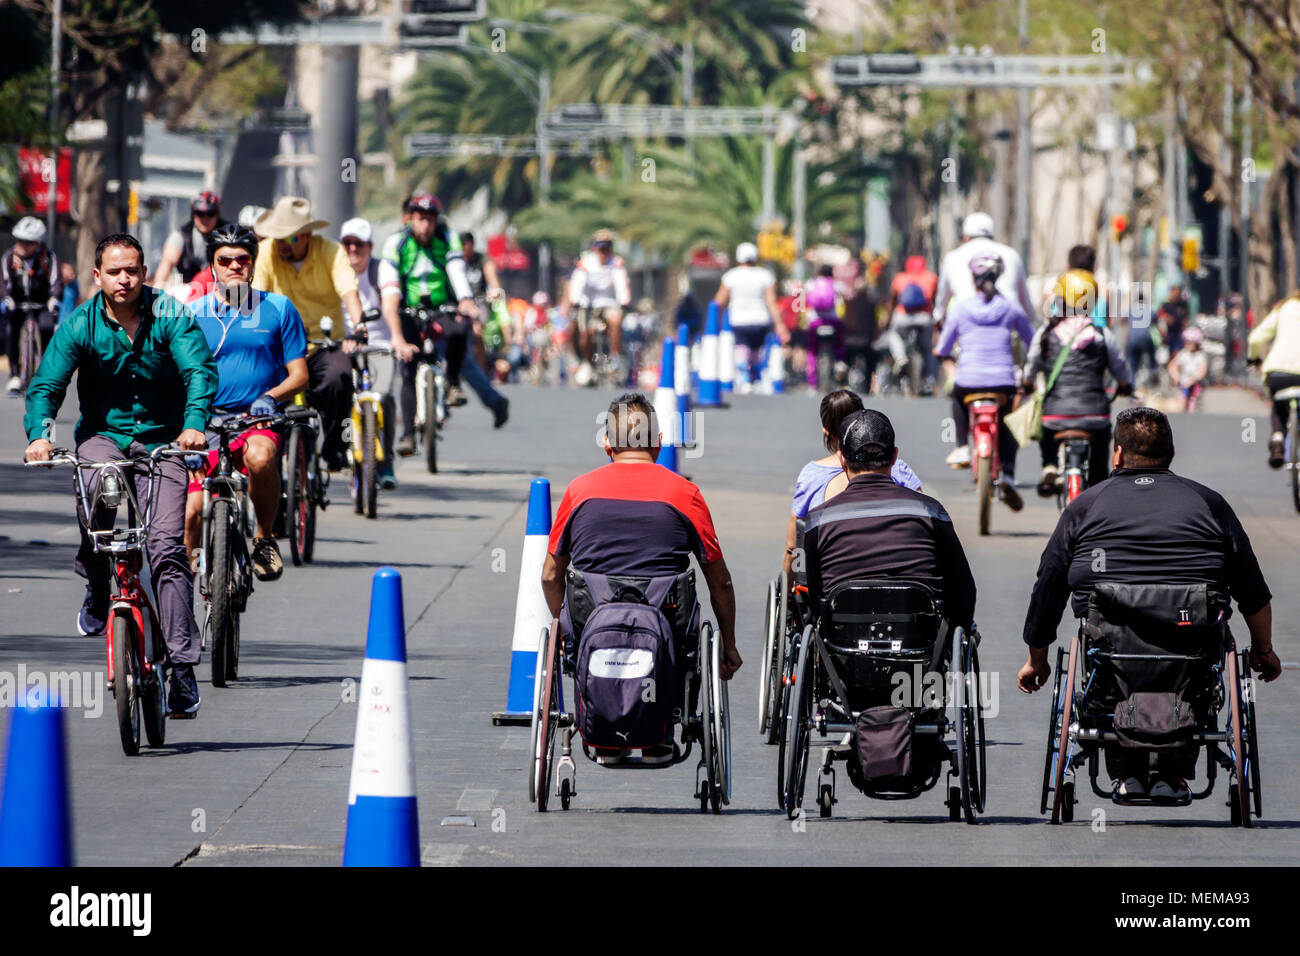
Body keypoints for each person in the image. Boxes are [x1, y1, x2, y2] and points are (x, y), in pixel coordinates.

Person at [1017, 407, 1281, 801]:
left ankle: (1128, 772)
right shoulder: (1209, 503)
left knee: (1106, 660)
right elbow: (1253, 591)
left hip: (1111, 648)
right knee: (1197, 658)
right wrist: (1263, 650)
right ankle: (1173, 774)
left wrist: (1037, 660)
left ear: (1117, 454)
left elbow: (1048, 588)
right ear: (1171, 453)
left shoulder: (1085, 506)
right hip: (1191, 644)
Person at [23, 233, 216, 717]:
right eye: (114, 271)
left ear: (144, 272)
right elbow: (48, 384)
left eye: (132, 270)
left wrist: (193, 426)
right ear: (97, 276)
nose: (124, 279)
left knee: (168, 547)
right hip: (104, 438)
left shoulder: (170, 313)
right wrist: (40, 435)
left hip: (164, 443)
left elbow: (199, 372)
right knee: (100, 493)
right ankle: (96, 583)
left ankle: (182, 668)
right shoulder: (80, 324)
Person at [540, 393, 741, 761]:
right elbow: (720, 581)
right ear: (659, 444)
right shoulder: (685, 494)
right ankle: (657, 735)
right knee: (681, 629)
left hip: (592, 622)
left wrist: (565, 629)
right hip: (666, 623)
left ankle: (601, 728)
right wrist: (728, 645)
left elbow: (551, 575)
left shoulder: (579, 491)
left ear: (607, 444)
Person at [185, 224, 308, 581]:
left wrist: (269, 398)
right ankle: (182, 576)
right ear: (212, 267)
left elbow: (299, 375)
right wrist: (187, 425)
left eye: (243, 259)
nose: (234, 266)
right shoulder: (192, 314)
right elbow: (175, 376)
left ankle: (265, 538)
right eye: (225, 260)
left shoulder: (279, 308)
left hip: (256, 420)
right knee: (193, 511)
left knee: (261, 457)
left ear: (253, 264)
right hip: (205, 422)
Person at [802, 408, 976, 629]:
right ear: (894, 456)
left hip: (844, 646)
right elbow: (963, 587)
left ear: (842, 460)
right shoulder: (931, 512)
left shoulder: (818, 520)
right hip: (918, 645)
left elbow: (817, 596)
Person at [379, 194, 508, 443]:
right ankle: (407, 434)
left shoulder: (448, 239)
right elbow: (390, 288)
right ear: (410, 219)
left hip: (443, 307)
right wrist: (395, 330)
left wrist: (465, 300)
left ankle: (452, 384)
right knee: (409, 367)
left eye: (430, 220)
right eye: (419, 219)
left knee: (460, 333)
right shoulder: (397, 243)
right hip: (409, 309)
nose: (425, 226)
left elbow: (456, 271)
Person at [251, 196, 365, 471]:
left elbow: (348, 290)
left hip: (323, 345)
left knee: (340, 378)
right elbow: (255, 298)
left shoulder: (331, 252)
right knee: (260, 389)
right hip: (281, 347)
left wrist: (360, 326)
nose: (281, 245)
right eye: (277, 237)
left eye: (288, 239)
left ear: (306, 236)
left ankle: (334, 447)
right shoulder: (266, 252)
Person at [933, 252, 1035, 510]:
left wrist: (942, 354)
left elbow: (944, 346)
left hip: (968, 380)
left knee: (957, 398)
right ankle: (1009, 475)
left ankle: (962, 447)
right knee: (1008, 422)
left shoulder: (960, 308)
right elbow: (1031, 340)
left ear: (973, 278)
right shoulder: (1011, 307)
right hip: (1003, 381)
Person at [784, 389, 922, 577]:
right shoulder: (899, 468)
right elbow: (924, 517)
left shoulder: (812, 475)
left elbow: (793, 545)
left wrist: (790, 588)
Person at [1025, 256, 1132, 497]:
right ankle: (1097, 484)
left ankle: (1049, 464)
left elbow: (1031, 364)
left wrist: (1026, 383)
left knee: (1046, 428)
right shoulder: (1101, 334)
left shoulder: (1046, 332)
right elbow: (1120, 367)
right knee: (1101, 452)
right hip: (1094, 415)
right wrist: (1126, 385)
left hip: (1055, 414)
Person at [340, 216, 397, 489]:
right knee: (335, 394)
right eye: (347, 243)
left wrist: (397, 337)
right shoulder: (334, 268)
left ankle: (385, 463)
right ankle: (339, 450)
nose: (353, 249)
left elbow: (390, 305)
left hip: (379, 345)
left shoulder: (382, 269)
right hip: (342, 344)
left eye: (359, 244)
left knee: (383, 397)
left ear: (370, 246)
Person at [933, 211, 1036, 328]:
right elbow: (1025, 303)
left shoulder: (952, 257)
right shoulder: (1011, 254)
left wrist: (939, 318)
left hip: (967, 329)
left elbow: (942, 302)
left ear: (965, 236)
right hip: (1007, 326)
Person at [713, 242, 785, 389]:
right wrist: (779, 324)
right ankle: (754, 377)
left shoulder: (731, 276)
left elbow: (719, 301)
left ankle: (745, 377)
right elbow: (771, 302)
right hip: (760, 319)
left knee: (741, 347)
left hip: (739, 320)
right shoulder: (765, 276)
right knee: (755, 350)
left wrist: (714, 321)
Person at [3, 216, 62, 394]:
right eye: (20, 241)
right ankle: (14, 374)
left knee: (46, 327)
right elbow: (3, 282)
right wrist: (7, 298)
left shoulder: (48, 258)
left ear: (37, 243)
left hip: (42, 304)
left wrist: (54, 298)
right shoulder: (9, 258)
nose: (23, 245)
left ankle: (45, 372)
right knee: (10, 330)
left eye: (28, 242)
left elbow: (56, 281)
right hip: (17, 304)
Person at [564, 229, 631, 382]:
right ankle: (587, 362)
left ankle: (615, 357)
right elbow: (577, 282)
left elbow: (621, 283)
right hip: (588, 305)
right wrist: (575, 300)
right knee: (586, 331)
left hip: (608, 303)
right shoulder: (586, 262)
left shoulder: (616, 262)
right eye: (601, 248)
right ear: (594, 248)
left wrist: (624, 300)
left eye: (606, 248)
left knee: (615, 320)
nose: (603, 252)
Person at [1246, 292, 1300, 468]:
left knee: (1278, 404)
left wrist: (1253, 358)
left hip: (1277, 371)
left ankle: (1277, 435)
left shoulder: (1283, 307)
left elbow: (1254, 338)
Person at [150, 190, 229, 287]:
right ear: (193, 213)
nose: (205, 219)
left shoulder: (229, 235)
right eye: (200, 213)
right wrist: (156, 297)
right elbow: (164, 269)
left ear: (218, 214)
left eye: (210, 213)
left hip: (222, 291)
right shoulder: (180, 236)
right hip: (191, 291)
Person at [886, 254, 939, 392]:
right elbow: (935, 300)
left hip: (903, 317)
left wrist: (887, 319)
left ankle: (900, 357)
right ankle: (930, 378)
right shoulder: (931, 278)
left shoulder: (900, 278)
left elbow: (892, 301)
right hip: (924, 318)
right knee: (928, 349)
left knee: (893, 334)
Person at [805, 264, 844, 389]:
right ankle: (840, 362)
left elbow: (804, 301)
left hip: (815, 321)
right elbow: (842, 302)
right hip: (833, 321)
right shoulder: (837, 284)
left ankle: (812, 381)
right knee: (840, 344)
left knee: (812, 350)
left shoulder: (811, 283)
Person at [1167, 325, 1208, 412]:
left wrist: (1192, 380)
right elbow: (1172, 366)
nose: (1189, 345)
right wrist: (1177, 377)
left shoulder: (1200, 356)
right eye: (1187, 342)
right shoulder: (1183, 354)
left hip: (1195, 383)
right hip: (1183, 382)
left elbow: (1202, 371)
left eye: (1191, 343)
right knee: (1181, 402)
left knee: (1193, 402)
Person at [1156, 284, 1190, 356]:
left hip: (1179, 334)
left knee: (1178, 354)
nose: (1176, 294)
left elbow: (1186, 318)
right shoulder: (1166, 305)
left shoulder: (1183, 304)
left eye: (1178, 291)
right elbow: (1160, 319)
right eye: (1174, 291)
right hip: (1169, 335)